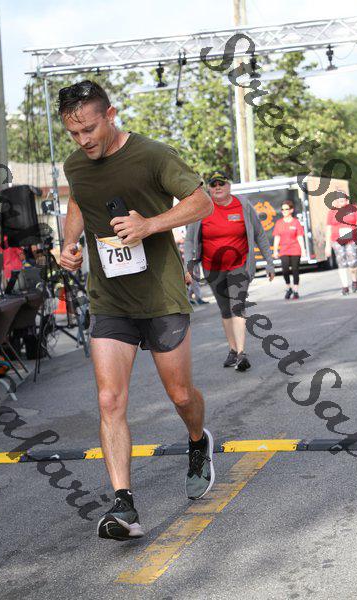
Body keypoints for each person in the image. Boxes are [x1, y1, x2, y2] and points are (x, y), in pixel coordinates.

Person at [58, 80, 215, 542]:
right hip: (110, 300)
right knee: (109, 399)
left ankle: (197, 440)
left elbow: (201, 202)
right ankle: (123, 504)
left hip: (161, 296)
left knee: (180, 395)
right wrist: (69, 244)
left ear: (110, 115)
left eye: (89, 129)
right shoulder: (75, 165)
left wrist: (150, 225)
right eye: (73, 133)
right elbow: (77, 199)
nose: (83, 140)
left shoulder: (152, 155)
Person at [184, 170, 275, 371]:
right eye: (213, 184)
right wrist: (188, 267)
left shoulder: (243, 205)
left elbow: (259, 234)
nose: (218, 187)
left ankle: (241, 353)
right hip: (212, 269)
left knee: (237, 307)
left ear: (229, 186)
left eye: (221, 184)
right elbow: (190, 240)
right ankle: (233, 350)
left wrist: (269, 262)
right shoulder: (202, 208)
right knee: (225, 310)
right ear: (208, 188)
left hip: (239, 266)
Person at [325, 195, 357, 295]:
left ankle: (354, 279)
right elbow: (328, 229)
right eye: (339, 200)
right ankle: (345, 286)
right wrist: (327, 246)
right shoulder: (332, 212)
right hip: (336, 240)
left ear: (347, 200)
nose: (341, 202)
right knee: (341, 262)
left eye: (343, 200)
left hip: (351, 240)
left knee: (353, 263)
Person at [272, 200, 306, 300]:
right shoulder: (279, 223)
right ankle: (288, 287)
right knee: (285, 270)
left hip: (295, 249)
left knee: (295, 269)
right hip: (284, 250)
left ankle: (295, 290)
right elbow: (277, 237)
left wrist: (303, 250)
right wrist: (275, 250)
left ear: (291, 210)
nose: (284, 211)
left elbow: (300, 237)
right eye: (282, 209)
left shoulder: (296, 222)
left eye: (286, 209)